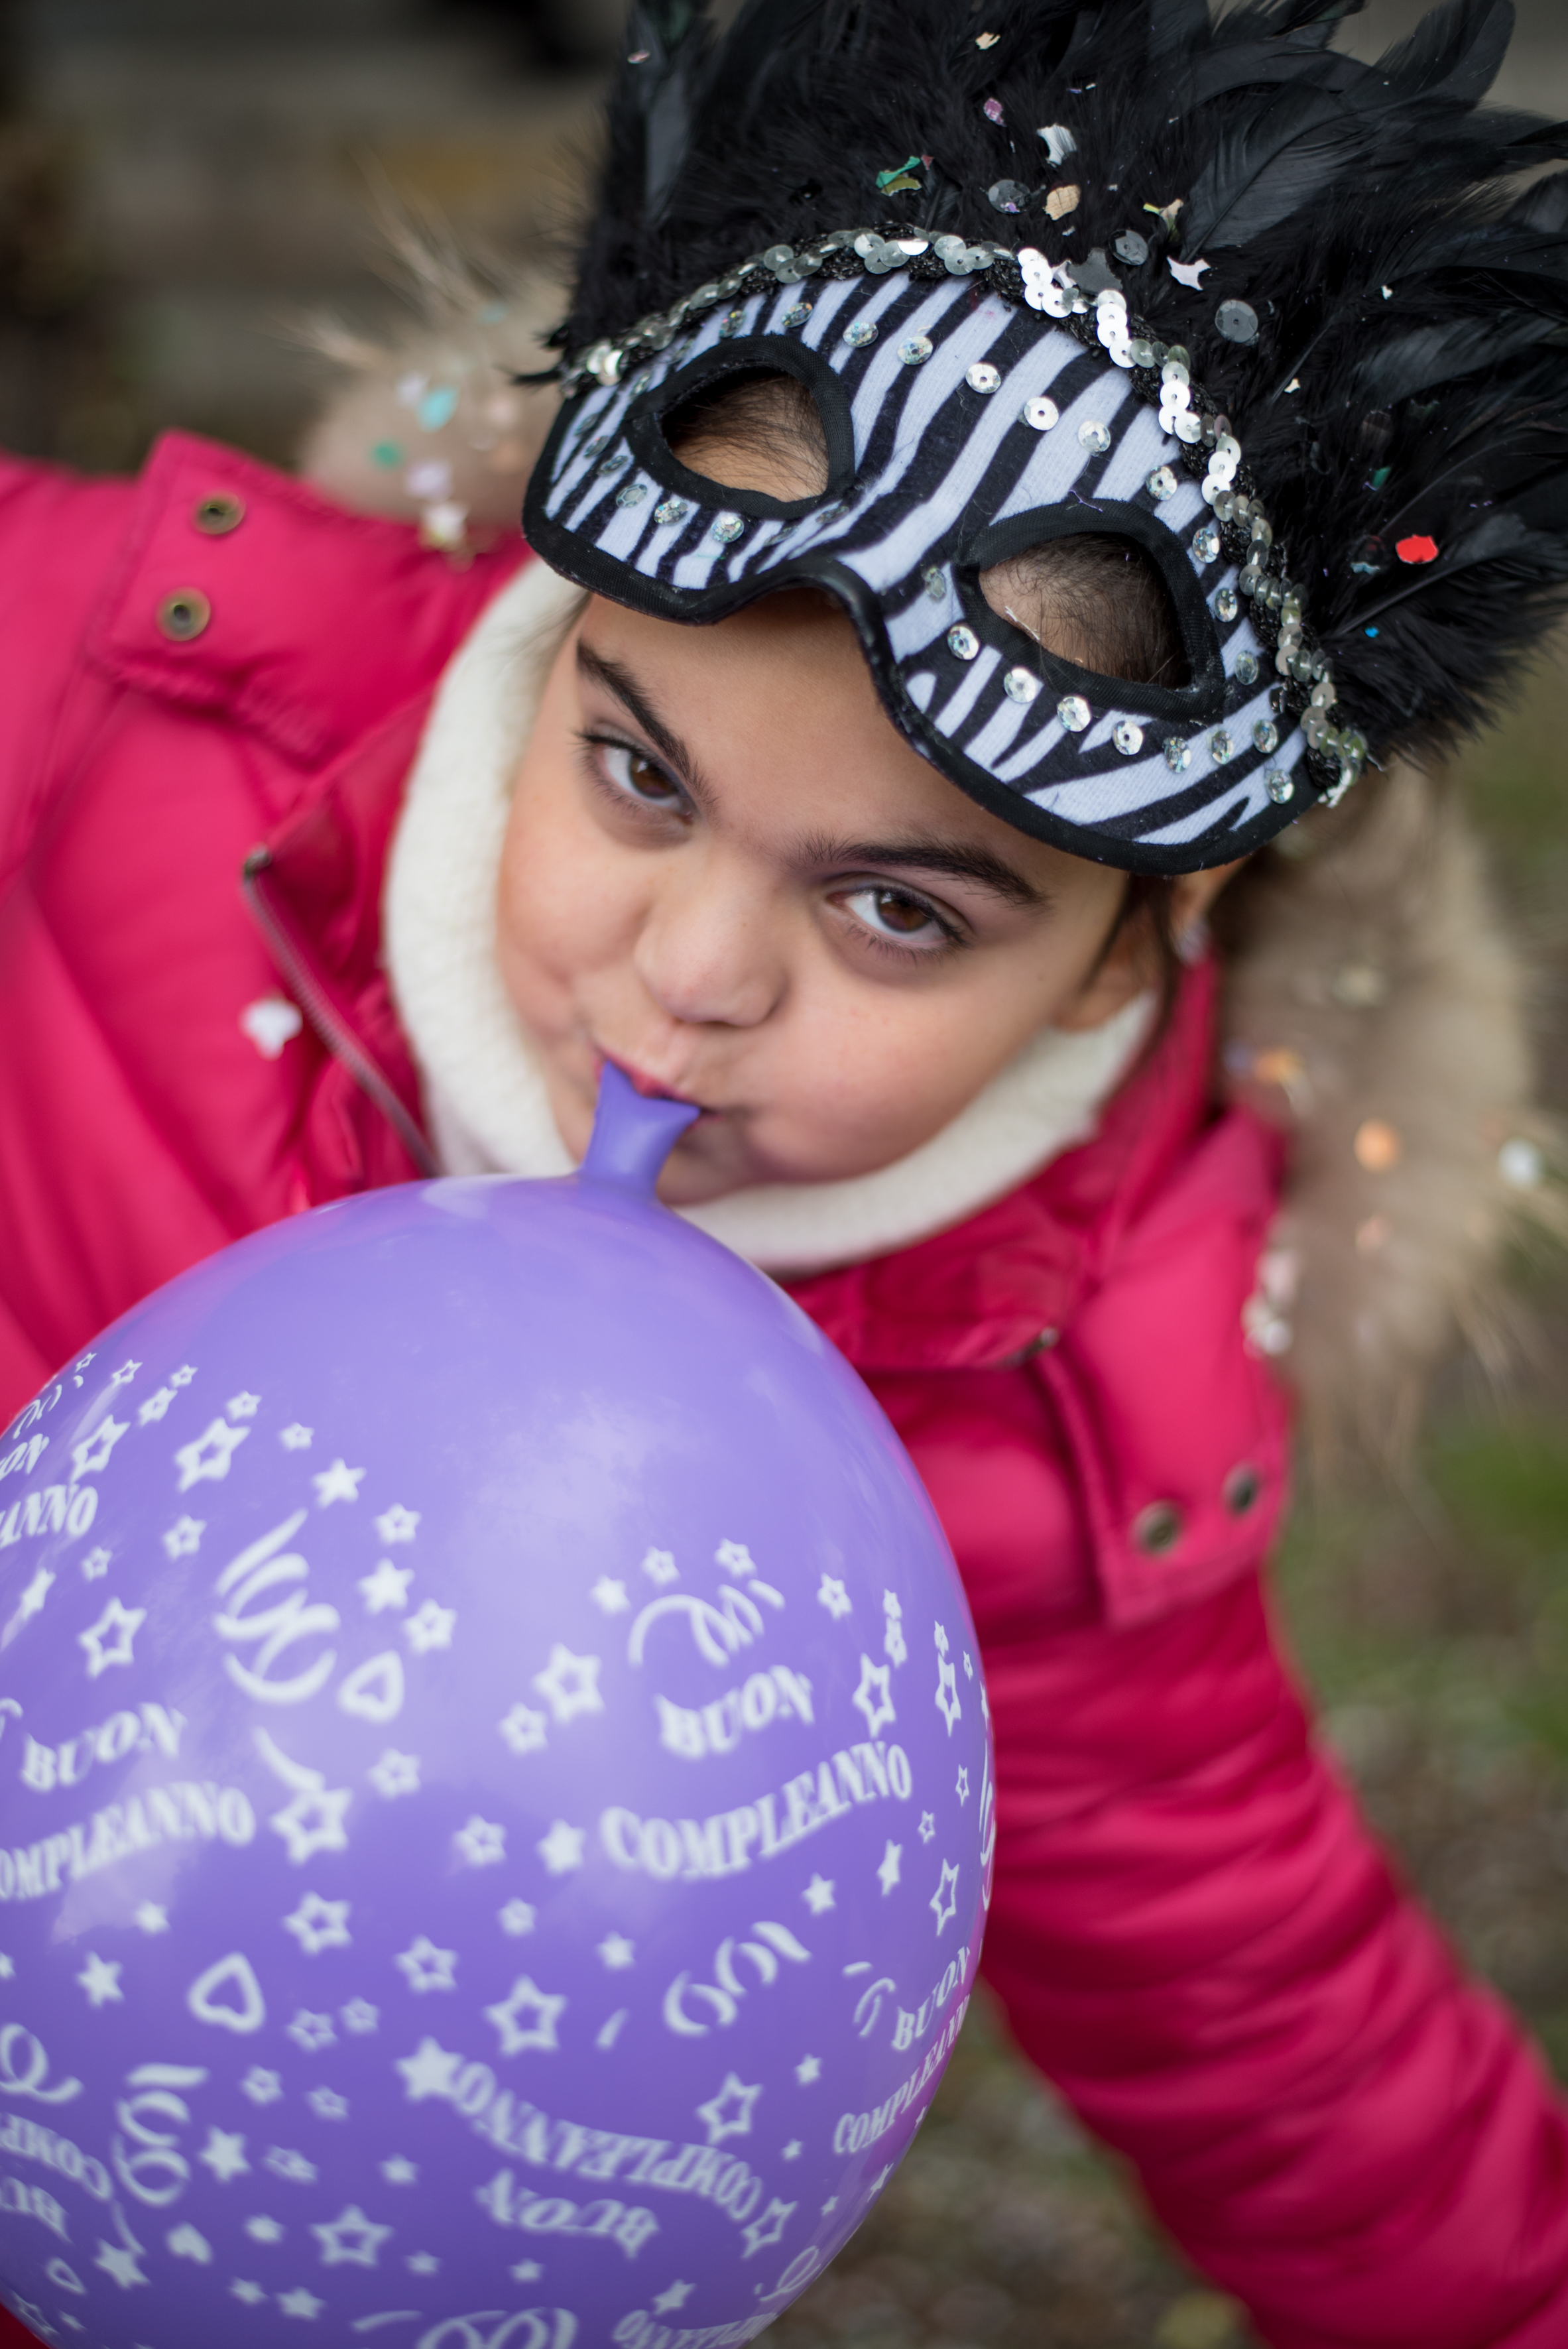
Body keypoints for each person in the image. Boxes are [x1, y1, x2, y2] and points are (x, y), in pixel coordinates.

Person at [4, 0, 1568, 2338]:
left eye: (901, 907)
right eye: (640, 773)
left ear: (1140, 939)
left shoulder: (1059, 1432)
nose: (692, 973)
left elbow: (1282, 2038)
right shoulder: (118, 701)